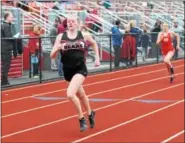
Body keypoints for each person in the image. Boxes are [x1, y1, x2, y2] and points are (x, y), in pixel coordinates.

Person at [50, 16, 100, 132]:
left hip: (80, 68)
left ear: (77, 23)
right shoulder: (60, 37)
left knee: (70, 94)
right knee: (81, 95)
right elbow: (52, 56)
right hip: (67, 70)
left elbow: (94, 44)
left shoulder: (84, 35)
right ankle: (90, 113)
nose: (70, 23)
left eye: (73, 21)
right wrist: (57, 48)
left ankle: (81, 118)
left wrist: (97, 58)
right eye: (69, 21)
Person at [1, 11, 15, 86]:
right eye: (11, 16)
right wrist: (15, 38)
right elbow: (9, 37)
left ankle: (4, 81)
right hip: (6, 48)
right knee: (6, 64)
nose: (12, 18)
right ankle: (4, 81)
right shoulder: (6, 26)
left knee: (5, 64)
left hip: (4, 47)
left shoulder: (4, 25)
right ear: (7, 17)